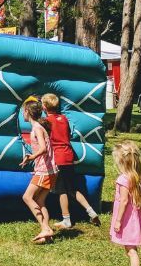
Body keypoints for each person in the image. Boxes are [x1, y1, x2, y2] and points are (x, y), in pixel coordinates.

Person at [42, 92, 100, 229]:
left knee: (62, 190)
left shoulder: (46, 122)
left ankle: (66, 219)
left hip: (59, 157)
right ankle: (91, 211)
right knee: (72, 189)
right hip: (68, 156)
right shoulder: (64, 119)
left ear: (44, 107)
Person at [109, 140, 141, 266]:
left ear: (121, 161)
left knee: (131, 251)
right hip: (133, 218)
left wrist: (118, 220)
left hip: (127, 219)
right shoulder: (135, 176)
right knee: (131, 249)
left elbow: (124, 201)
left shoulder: (123, 179)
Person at [19, 97, 57, 244]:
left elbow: (43, 148)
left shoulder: (37, 128)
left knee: (27, 197)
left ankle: (45, 228)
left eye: (24, 111)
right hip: (50, 170)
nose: (23, 114)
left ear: (27, 112)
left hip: (45, 171)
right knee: (40, 201)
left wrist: (31, 157)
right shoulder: (38, 127)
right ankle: (47, 234)